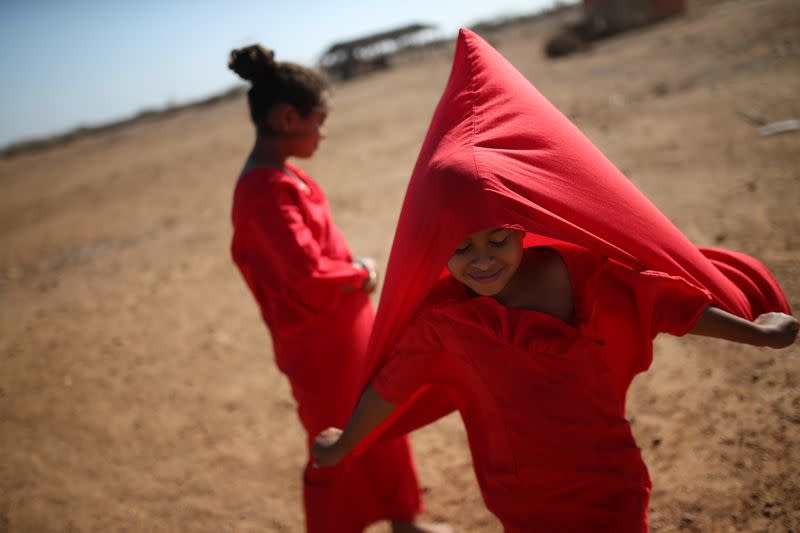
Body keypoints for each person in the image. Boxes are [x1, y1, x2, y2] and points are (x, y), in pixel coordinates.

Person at [310, 30, 798, 532]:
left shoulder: (587, 277)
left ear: (522, 226)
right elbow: (390, 389)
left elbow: (673, 307)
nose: (482, 261)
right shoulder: (444, 321)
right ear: (435, 251)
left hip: (610, 485)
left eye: (497, 239)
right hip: (521, 500)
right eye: (460, 248)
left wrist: (756, 333)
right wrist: (347, 442)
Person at [228, 44, 437, 533]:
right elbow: (305, 277)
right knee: (335, 439)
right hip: (319, 343)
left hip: (345, 328)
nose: (323, 132)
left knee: (379, 417)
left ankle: (404, 520)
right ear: (286, 117)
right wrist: (361, 272)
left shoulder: (284, 175)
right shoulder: (264, 192)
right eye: (318, 120)